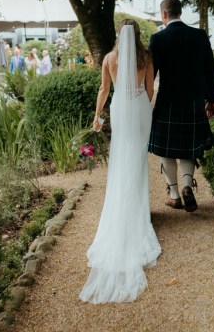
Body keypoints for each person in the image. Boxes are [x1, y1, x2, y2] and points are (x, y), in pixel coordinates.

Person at [80, 19, 160, 304]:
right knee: (137, 159)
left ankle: (125, 210)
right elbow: (151, 89)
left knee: (121, 158)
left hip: (120, 108)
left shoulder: (109, 58)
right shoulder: (146, 56)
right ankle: (139, 213)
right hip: (138, 107)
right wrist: (144, 106)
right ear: (138, 35)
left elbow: (104, 90)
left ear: (118, 35)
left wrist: (97, 116)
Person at [148, 0, 214, 212]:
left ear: (164, 15)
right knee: (189, 148)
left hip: (168, 101)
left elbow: (152, 75)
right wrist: (212, 99)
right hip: (194, 102)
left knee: (166, 150)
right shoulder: (199, 36)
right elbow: (210, 70)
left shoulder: (157, 39)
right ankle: (188, 185)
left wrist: (146, 99)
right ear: (181, 12)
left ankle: (175, 194)